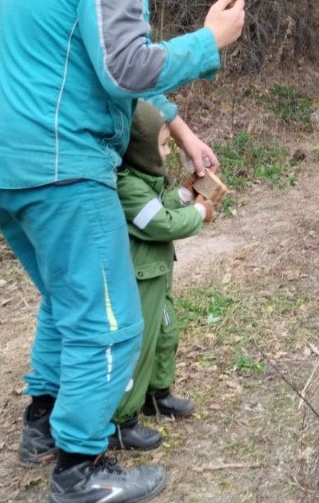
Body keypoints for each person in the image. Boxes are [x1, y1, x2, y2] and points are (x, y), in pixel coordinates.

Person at [0, 0, 245, 503]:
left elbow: (87, 61)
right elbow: (125, 67)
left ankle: (41, 427)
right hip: (65, 171)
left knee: (65, 299)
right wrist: (208, 41)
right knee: (110, 324)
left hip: (12, 172)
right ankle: (80, 470)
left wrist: (184, 133)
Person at [108, 101, 217, 451]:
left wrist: (185, 193)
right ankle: (123, 419)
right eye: (164, 145)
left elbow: (162, 204)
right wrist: (199, 212)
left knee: (166, 333)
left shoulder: (144, 182)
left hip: (159, 276)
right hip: (141, 281)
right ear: (140, 149)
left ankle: (158, 392)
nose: (169, 152)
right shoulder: (128, 188)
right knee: (138, 348)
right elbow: (160, 223)